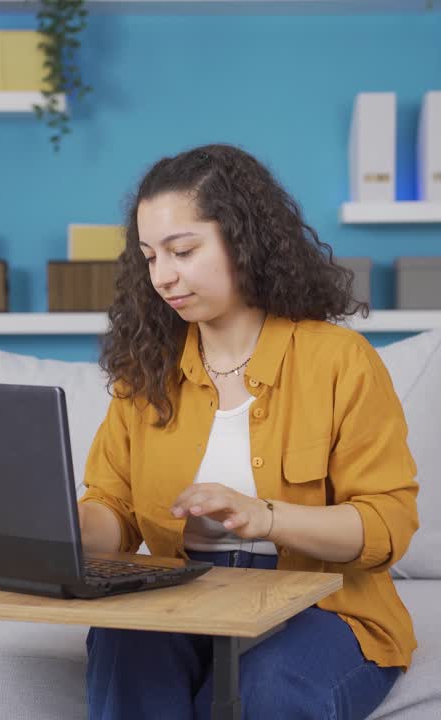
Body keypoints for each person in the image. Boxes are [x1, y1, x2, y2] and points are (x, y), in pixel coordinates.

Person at [77, 143, 419, 720]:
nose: (162, 276)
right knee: (123, 641)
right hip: (185, 596)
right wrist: (59, 528)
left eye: (182, 250)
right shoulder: (146, 372)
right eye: (149, 256)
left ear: (242, 239)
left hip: (325, 605)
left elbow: (387, 524)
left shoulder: (339, 360)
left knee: (265, 685)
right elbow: (114, 507)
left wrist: (266, 516)